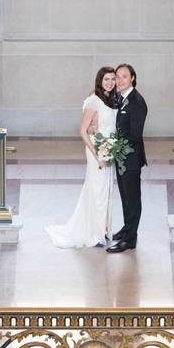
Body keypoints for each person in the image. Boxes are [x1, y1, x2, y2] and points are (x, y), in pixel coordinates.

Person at [45, 67, 119, 248]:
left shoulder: (111, 99)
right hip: (96, 148)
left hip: (108, 147)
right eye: (106, 79)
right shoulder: (93, 100)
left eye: (112, 79)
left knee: (105, 189)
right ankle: (94, 234)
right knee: (97, 189)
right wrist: (97, 154)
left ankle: (102, 229)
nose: (109, 83)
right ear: (99, 81)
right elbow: (83, 131)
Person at [106, 63, 147, 253]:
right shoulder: (122, 98)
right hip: (121, 158)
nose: (119, 80)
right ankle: (126, 229)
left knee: (132, 198)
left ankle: (130, 239)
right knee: (125, 196)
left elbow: (135, 134)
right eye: (117, 76)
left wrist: (115, 145)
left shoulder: (137, 102)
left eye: (124, 76)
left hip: (130, 158)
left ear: (132, 78)